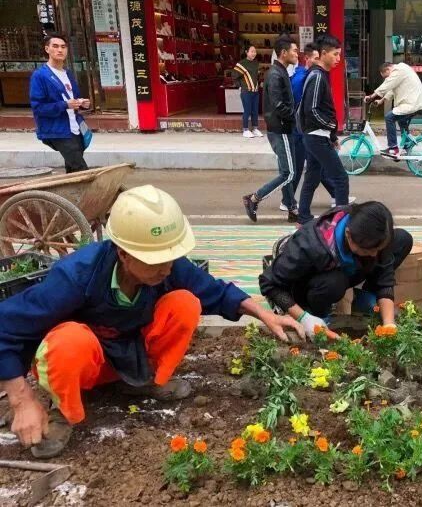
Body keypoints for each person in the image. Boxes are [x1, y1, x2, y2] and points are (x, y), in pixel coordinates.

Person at [0, 185, 303, 459]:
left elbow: (215, 291)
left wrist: (266, 316)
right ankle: (63, 409)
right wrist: (21, 399)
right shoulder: (76, 275)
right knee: (70, 341)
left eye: (170, 258)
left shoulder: (167, 266)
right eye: (157, 260)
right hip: (82, 366)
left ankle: (143, 380)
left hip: (126, 354)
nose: (166, 268)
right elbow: (6, 326)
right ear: (124, 254)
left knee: (186, 303)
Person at [260, 201, 413, 336]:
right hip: (311, 283)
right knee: (333, 283)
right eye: (367, 250)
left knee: (402, 239)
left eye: (377, 249)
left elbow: (384, 275)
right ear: (348, 234)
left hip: (347, 268)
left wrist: (389, 324)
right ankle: (319, 315)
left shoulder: (373, 235)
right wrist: (303, 317)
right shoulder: (309, 247)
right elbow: (268, 283)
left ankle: (365, 300)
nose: (374, 255)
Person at [288, 43, 355, 212]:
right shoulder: (317, 76)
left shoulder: (319, 75)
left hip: (316, 135)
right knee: (340, 178)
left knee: (312, 177)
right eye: (335, 54)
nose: (338, 59)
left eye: (340, 55)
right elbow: (312, 110)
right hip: (316, 136)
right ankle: (339, 222)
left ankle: (303, 217)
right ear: (323, 54)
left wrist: (332, 135)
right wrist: (331, 126)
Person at [243, 38, 300, 224]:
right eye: (294, 51)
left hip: (285, 127)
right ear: (283, 53)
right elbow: (278, 105)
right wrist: (296, 116)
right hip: (280, 128)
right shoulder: (276, 74)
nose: (296, 54)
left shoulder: (280, 71)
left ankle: (292, 209)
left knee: (286, 170)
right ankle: (253, 198)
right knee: (289, 173)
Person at [30, 33, 89, 174]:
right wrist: (65, 105)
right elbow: (38, 107)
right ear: (47, 49)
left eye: (63, 47)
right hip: (57, 130)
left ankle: (71, 195)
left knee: (73, 169)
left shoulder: (67, 73)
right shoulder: (40, 76)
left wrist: (81, 103)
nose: (60, 50)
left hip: (74, 128)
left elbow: (73, 97)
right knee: (81, 170)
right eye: (55, 46)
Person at [364, 62, 422, 157]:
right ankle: (406, 146)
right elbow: (391, 90)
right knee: (401, 120)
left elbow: (387, 85)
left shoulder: (399, 70)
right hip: (413, 103)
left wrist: (371, 96)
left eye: (386, 76)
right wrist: (381, 100)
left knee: (389, 117)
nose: (387, 79)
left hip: (413, 104)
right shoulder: (400, 72)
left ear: (388, 69)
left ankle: (393, 148)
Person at [234, 45, 262, 138]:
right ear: (246, 52)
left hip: (255, 91)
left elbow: (256, 77)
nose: (254, 53)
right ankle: (245, 129)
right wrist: (240, 86)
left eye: (255, 51)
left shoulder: (256, 63)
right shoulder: (241, 64)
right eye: (251, 51)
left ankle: (255, 129)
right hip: (246, 92)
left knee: (255, 111)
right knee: (247, 110)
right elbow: (234, 76)